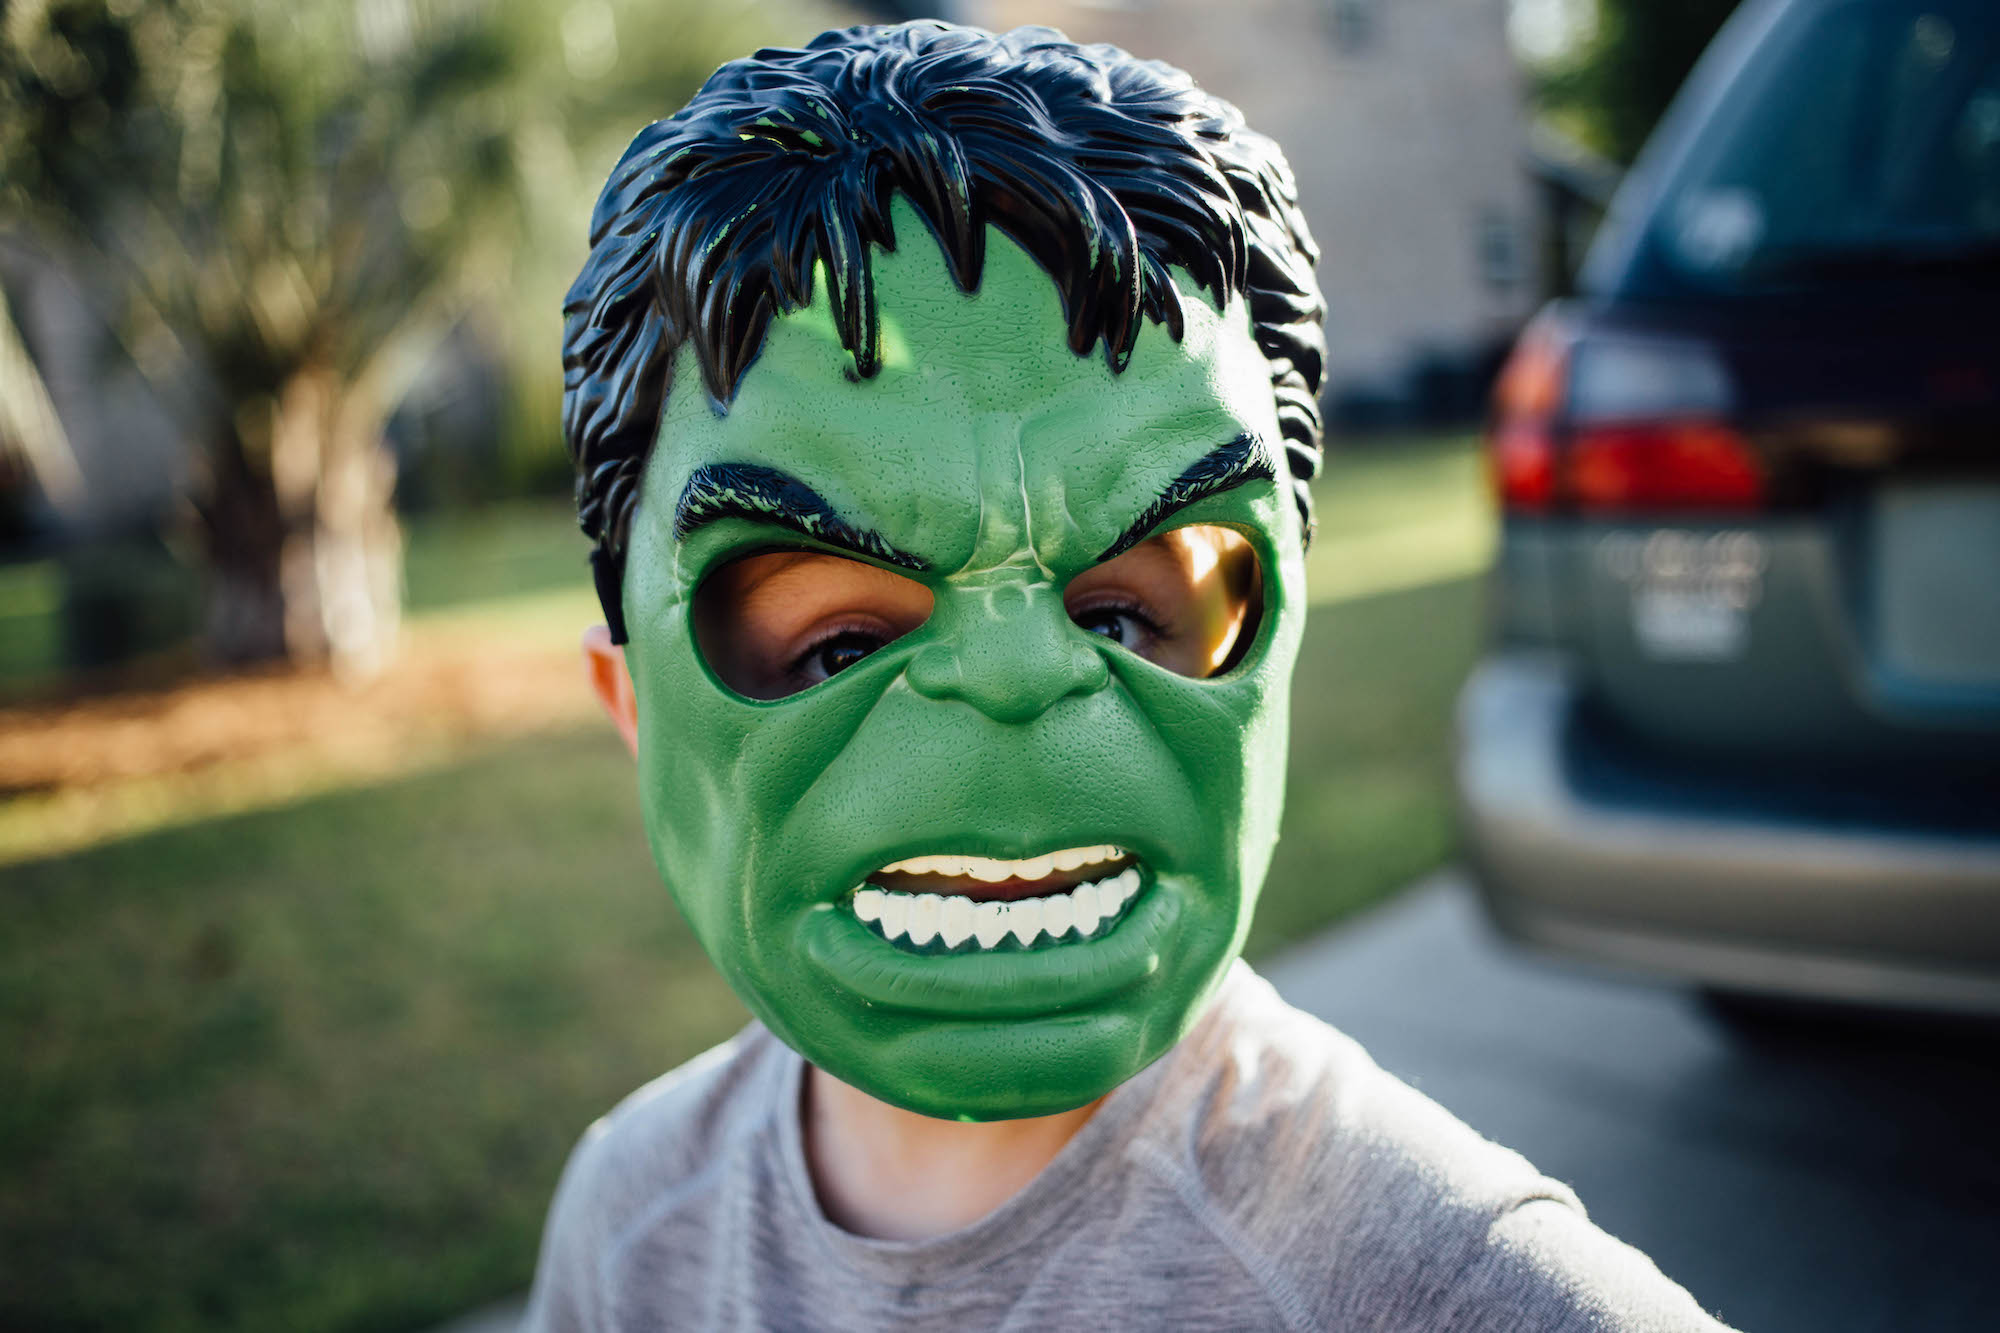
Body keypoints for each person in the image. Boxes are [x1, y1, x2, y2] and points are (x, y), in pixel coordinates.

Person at [527, 20, 1734, 1331]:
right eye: (840, 643)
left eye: (1127, 610)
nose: (1013, 678)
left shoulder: (1458, 1291)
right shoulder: (634, 1219)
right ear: (633, 706)